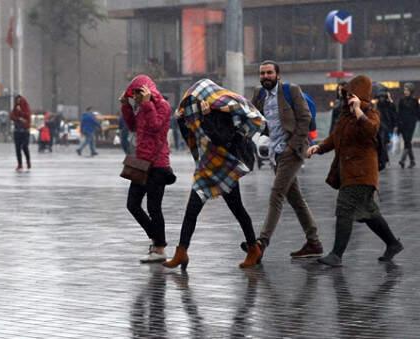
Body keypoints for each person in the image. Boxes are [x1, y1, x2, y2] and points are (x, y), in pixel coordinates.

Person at [163, 79, 266, 270]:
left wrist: (208, 116)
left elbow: (222, 138)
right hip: (207, 166)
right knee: (192, 209)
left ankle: (253, 249)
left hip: (225, 166)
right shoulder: (200, 112)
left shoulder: (221, 112)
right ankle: (181, 252)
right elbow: (193, 133)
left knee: (238, 209)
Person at [308, 75, 403, 267]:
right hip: (349, 173)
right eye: (347, 94)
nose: (348, 97)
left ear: (361, 95)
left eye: (352, 94)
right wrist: (318, 148)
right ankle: (393, 243)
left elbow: (371, 130)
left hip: (362, 173)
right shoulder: (345, 115)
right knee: (368, 212)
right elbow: (335, 137)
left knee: (344, 209)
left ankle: (336, 255)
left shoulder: (370, 113)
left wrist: (359, 110)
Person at [241, 60, 323, 259]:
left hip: (291, 152)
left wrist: (292, 147)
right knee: (295, 199)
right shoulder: (259, 94)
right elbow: (253, 118)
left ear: (278, 75)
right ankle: (314, 243)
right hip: (274, 153)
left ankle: (261, 243)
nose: (265, 76)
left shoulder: (291, 91)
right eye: (262, 73)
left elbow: (305, 119)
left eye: (269, 73)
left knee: (276, 194)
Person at [120, 75, 175, 263]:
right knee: (132, 204)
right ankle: (158, 240)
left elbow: (155, 126)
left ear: (148, 90)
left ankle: (159, 249)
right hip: (142, 163)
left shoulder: (163, 106)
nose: (135, 96)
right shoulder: (141, 107)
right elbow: (132, 126)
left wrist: (146, 104)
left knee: (154, 208)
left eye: (138, 92)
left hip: (158, 164)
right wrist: (126, 106)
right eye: (133, 93)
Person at [397, 83, 420, 168]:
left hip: (411, 124)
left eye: (407, 90)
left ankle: (402, 160)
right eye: (404, 90)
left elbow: (418, 112)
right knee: (407, 142)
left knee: (407, 140)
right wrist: (398, 124)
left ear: (411, 91)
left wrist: (415, 119)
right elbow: (399, 113)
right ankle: (412, 161)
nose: (405, 91)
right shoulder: (401, 100)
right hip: (402, 124)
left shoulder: (414, 101)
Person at [10, 95, 32, 171]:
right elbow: (12, 116)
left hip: (25, 131)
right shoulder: (15, 107)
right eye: (17, 101)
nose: (18, 102)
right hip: (17, 130)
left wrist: (21, 112)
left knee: (24, 146)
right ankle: (20, 164)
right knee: (17, 148)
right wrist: (19, 118)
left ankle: (28, 161)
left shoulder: (26, 107)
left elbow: (27, 116)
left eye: (19, 100)